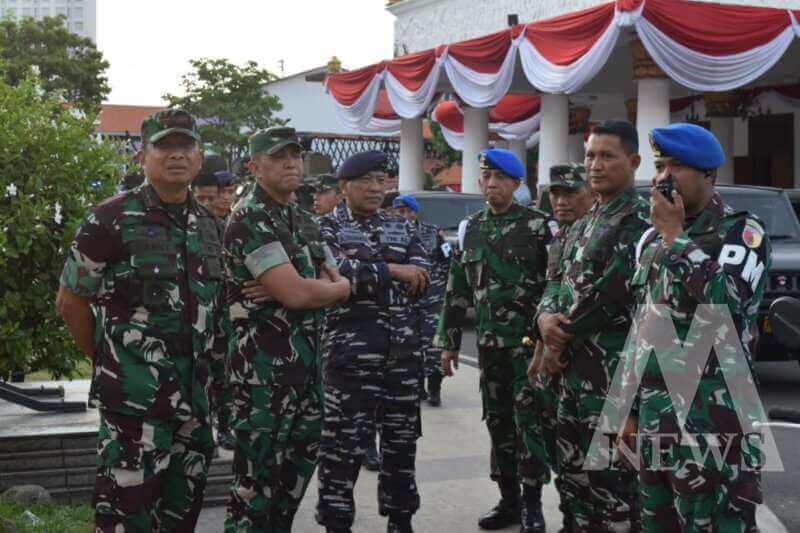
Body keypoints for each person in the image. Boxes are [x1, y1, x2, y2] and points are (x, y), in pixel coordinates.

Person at [56, 109, 223, 531]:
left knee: (181, 517)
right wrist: (109, 361)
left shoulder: (209, 225)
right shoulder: (109, 218)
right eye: (164, 146)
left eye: (185, 146)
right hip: (134, 406)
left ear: (199, 157)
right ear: (141, 157)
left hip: (195, 404)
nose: (176, 155)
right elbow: (71, 301)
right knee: (125, 517)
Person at [618, 123, 771, 532]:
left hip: (715, 425)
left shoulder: (741, 232)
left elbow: (729, 305)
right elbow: (643, 327)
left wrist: (675, 236)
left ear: (709, 174)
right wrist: (628, 408)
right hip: (656, 419)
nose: (663, 177)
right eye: (659, 166)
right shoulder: (650, 240)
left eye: (676, 166)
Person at [223, 126, 351, 532]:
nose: (291, 163)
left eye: (295, 155)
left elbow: (332, 280)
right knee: (254, 495)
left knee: (288, 493)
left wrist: (328, 288)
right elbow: (298, 293)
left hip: (307, 375)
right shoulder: (250, 218)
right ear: (254, 166)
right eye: (278, 156)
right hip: (263, 381)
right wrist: (324, 289)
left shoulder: (304, 219)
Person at [535, 120, 650, 532]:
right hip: (573, 380)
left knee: (614, 490)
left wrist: (556, 338)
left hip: (613, 380)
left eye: (607, 156)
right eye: (589, 156)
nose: (595, 165)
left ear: (633, 161)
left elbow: (607, 295)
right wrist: (544, 317)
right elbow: (555, 281)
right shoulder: (584, 222)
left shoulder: (639, 221)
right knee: (573, 482)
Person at [439, 148, 555, 533]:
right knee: (498, 423)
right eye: (486, 177)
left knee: (529, 424)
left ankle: (533, 506)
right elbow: (457, 289)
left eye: (500, 178)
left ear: (516, 184)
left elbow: (555, 285)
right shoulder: (470, 228)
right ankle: (509, 501)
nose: (492, 184)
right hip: (489, 349)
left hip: (528, 349)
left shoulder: (539, 227)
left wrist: (550, 344)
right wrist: (449, 341)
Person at [316, 150, 429, 533]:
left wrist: (370, 275)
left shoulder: (403, 226)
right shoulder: (325, 228)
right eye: (366, 181)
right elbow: (336, 274)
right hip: (350, 359)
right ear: (344, 186)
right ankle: (336, 523)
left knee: (401, 445)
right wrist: (394, 270)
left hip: (402, 357)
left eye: (381, 180)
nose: (376, 188)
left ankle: (401, 519)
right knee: (341, 448)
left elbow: (423, 272)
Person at [528, 163, 593, 532]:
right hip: (560, 361)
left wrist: (553, 343)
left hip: (593, 363)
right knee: (563, 451)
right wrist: (542, 343)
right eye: (555, 193)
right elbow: (553, 288)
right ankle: (570, 517)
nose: (561, 201)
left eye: (570, 192)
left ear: (590, 193)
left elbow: (589, 300)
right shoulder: (563, 236)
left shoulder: (600, 232)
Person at [393, 193, 452, 406]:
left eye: (408, 211)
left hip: (432, 298)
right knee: (409, 346)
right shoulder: (389, 233)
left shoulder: (432, 232)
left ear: (415, 213)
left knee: (433, 346)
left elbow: (449, 259)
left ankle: (435, 387)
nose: (405, 216)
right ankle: (417, 388)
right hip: (404, 301)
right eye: (400, 212)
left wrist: (441, 284)